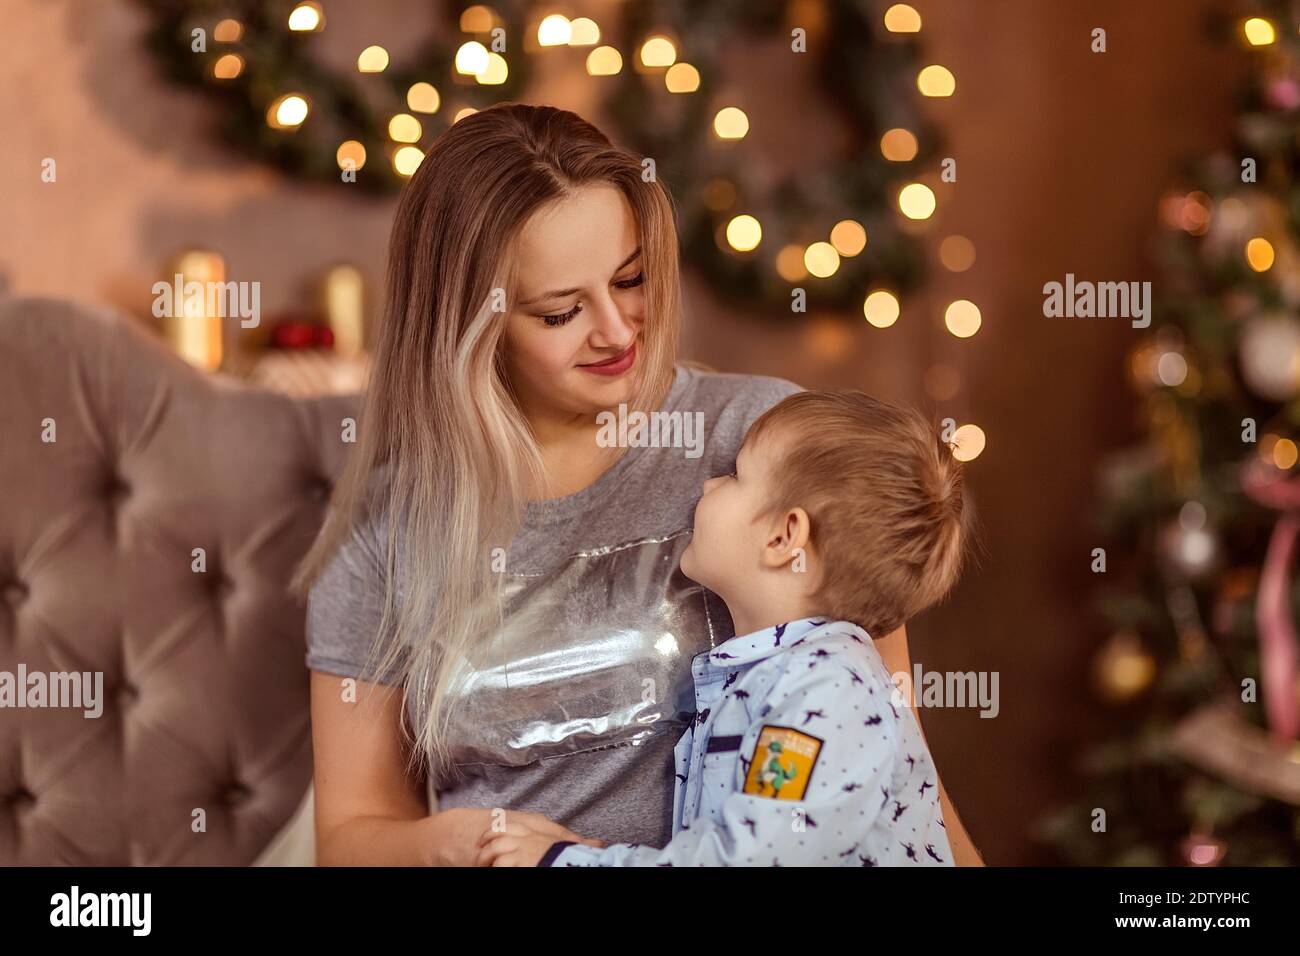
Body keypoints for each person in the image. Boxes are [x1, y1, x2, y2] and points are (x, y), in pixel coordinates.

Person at [292, 102, 982, 867]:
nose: (619, 332)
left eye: (632, 279)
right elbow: (351, 838)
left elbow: (890, 757)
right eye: (560, 313)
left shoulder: (770, 442)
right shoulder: (386, 531)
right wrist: (463, 846)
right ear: (468, 327)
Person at [478, 391, 966, 866]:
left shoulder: (824, 693)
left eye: (735, 475)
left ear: (783, 537)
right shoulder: (784, 675)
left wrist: (564, 860)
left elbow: (753, 857)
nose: (709, 484)